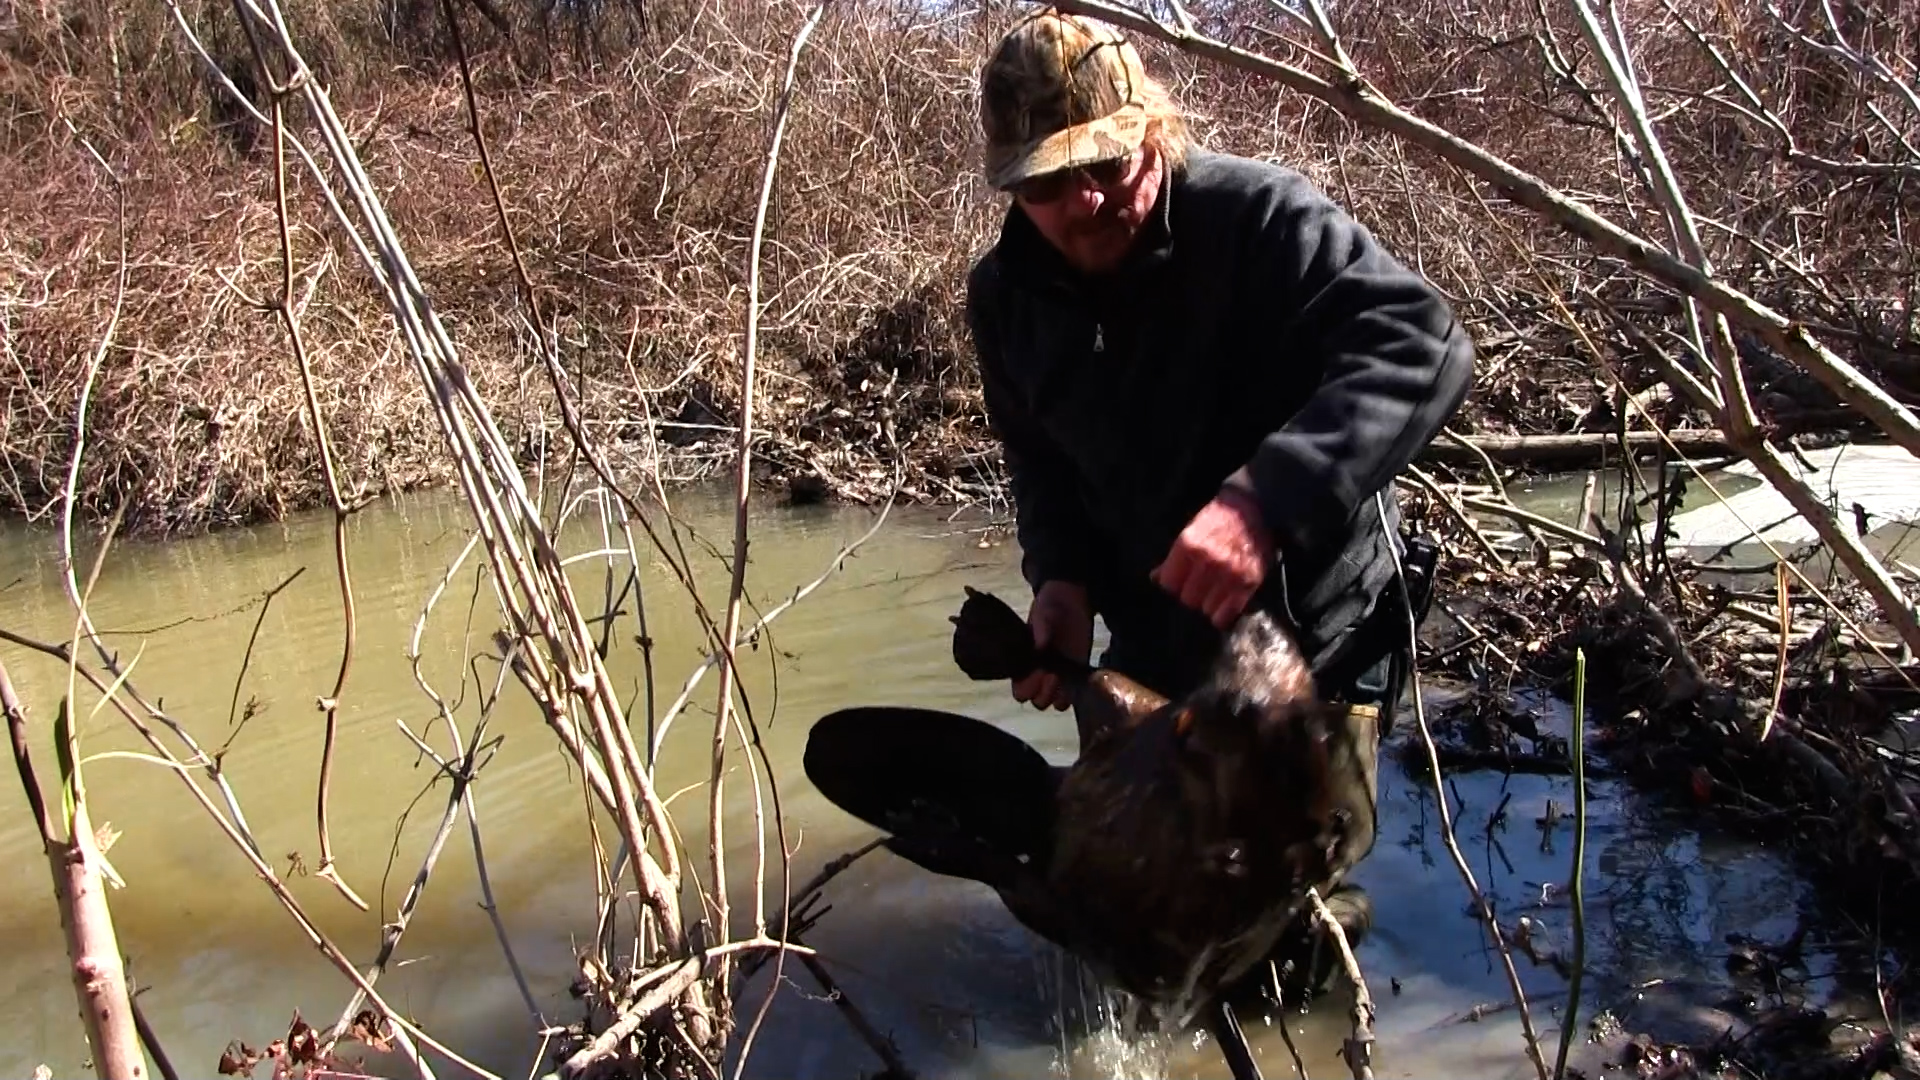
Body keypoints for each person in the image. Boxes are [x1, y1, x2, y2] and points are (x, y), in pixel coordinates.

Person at [964, 7, 1474, 995]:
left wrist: (1263, 501)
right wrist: (1060, 579)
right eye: (1045, 184)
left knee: (1293, 907)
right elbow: (1037, 459)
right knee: (1145, 912)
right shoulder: (1005, 297)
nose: (1082, 203)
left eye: (1104, 167)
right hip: (1156, 644)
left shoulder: (1261, 220)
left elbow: (1422, 343)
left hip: (1320, 637)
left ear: (1152, 130)